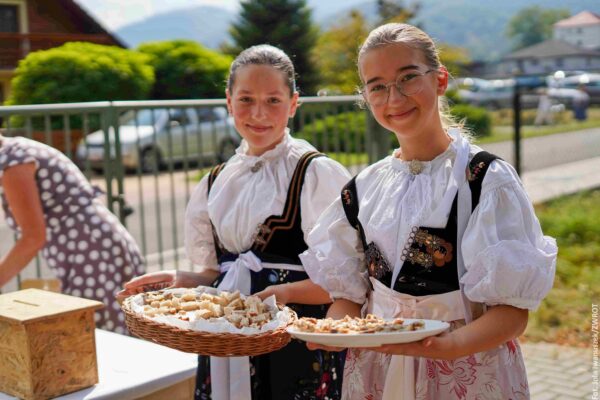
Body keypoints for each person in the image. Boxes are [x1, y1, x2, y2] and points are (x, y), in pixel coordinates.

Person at [300, 23, 557, 399]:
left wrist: (446, 347)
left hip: (464, 370)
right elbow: (350, 298)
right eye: (377, 86)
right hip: (377, 371)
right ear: (366, 97)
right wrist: (335, 332)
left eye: (407, 78)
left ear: (440, 80)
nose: (394, 97)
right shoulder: (362, 190)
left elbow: (512, 314)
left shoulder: (485, 181)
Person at [118, 45, 351, 400]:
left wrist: (284, 293)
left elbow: (346, 283)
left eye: (273, 100)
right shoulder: (216, 181)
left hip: (297, 343)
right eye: (246, 99)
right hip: (225, 342)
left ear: (293, 104)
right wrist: (180, 280)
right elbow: (219, 275)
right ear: (228, 102)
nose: (258, 113)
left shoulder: (314, 173)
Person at [0, 134, 145, 333]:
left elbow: (33, 237)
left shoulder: (14, 164)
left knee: (91, 335)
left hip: (90, 251)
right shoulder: (16, 150)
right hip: (96, 245)